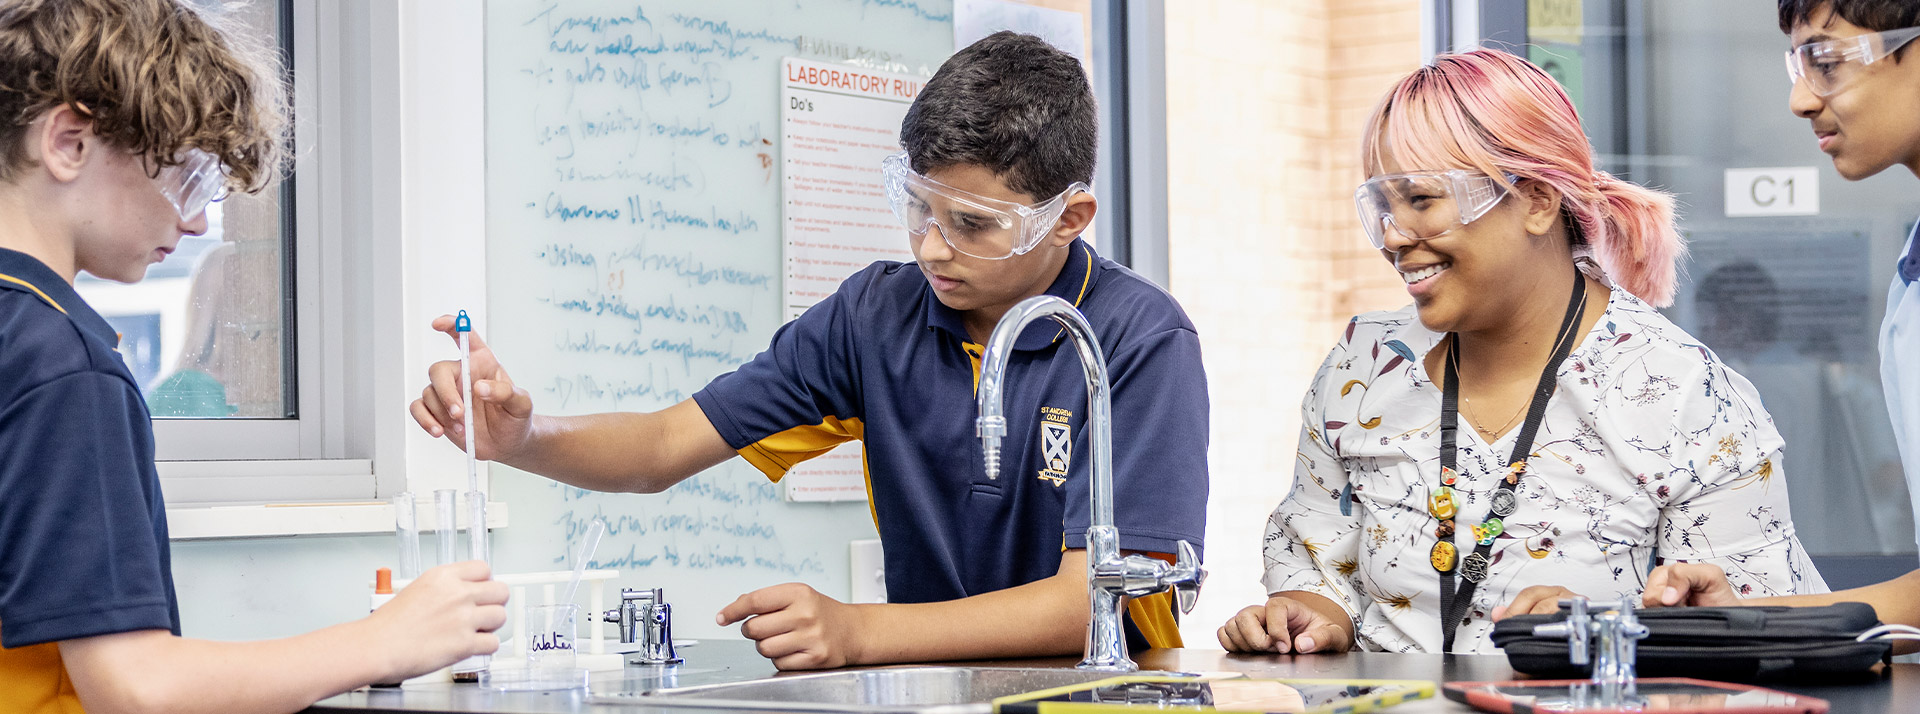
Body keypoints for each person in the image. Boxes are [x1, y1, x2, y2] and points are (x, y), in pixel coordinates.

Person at [410, 31, 1209, 671]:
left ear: (1069, 218)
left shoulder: (1139, 341)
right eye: (918, 207)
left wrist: (859, 634)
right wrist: (519, 437)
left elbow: (1086, 605)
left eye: (972, 223)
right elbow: (659, 448)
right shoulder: (874, 315)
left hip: (1102, 692)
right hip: (936, 693)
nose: (932, 247)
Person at [1216, 48, 1824, 656]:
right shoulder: (1367, 361)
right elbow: (1322, 563)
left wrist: (1609, 630)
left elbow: (1757, 630)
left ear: (1535, 200)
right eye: (1382, 206)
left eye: (1422, 200)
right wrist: (1309, 614)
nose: (1395, 237)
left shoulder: (1684, 394)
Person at [0, 2, 508, 712]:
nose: (200, 220)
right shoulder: (62, 365)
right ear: (69, 142)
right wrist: (389, 639)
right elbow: (134, 689)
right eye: (187, 176)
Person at [1597, 0, 1920, 638]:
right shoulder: (1909, 278)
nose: (1801, 99)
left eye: (1826, 62)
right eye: (1797, 66)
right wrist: (1743, 616)